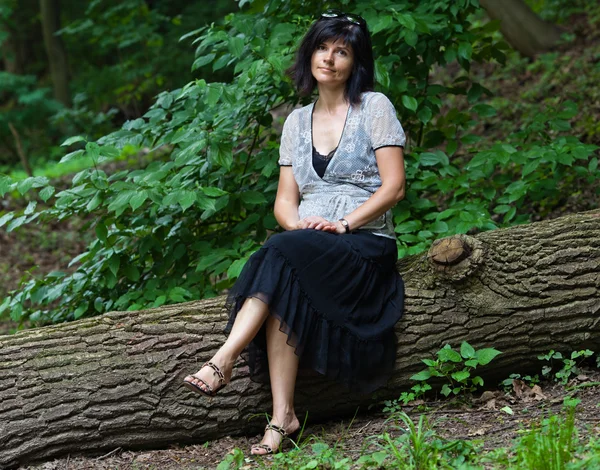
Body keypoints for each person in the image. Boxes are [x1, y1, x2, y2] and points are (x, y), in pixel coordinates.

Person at [183, 9, 406, 456]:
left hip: (362, 240)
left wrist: (344, 223)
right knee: (285, 258)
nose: (330, 58)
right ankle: (282, 417)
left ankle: (224, 357)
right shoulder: (294, 122)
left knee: (281, 253)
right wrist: (300, 226)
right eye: (322, 48)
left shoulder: (374, 108)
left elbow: (394, 186)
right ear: (310, 55)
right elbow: (285, 201)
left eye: (341, 51)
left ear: (355, 63)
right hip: (307, 240)